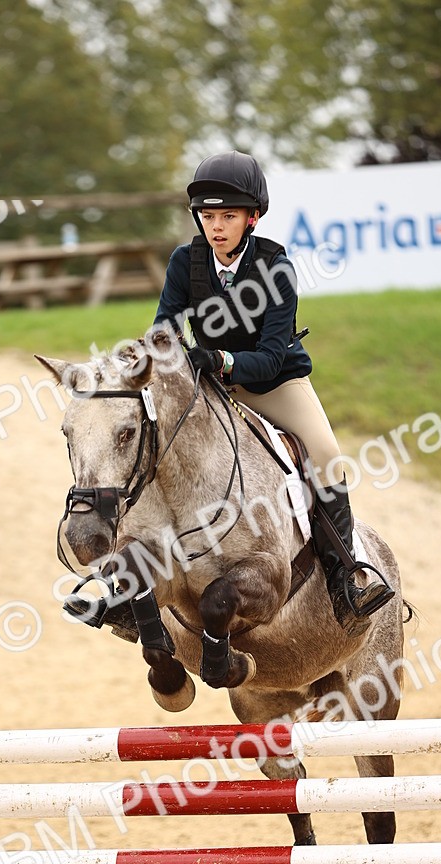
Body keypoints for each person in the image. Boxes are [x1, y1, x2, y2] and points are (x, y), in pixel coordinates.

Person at [153, 150, 394, 634]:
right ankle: (129, 583)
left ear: (252, 218)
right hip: (210, 390)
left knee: (325, 453)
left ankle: (347, 572)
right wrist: (166, 351)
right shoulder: (186, 261)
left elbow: (270, 354)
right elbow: (165, 326)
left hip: (272, 383)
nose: (216, 227)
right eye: (207, 216)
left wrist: (220, 359)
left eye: (227, 216)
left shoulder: (275, 268)